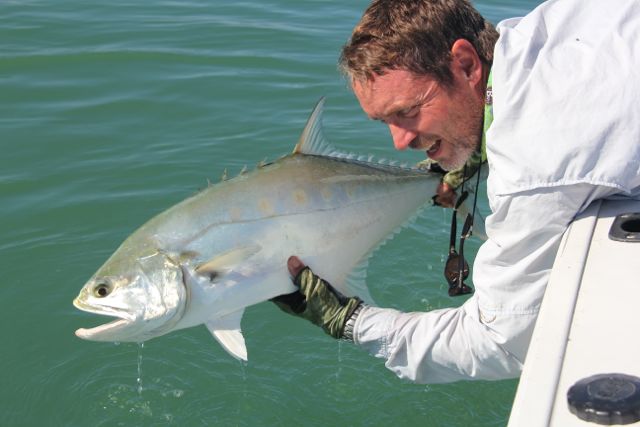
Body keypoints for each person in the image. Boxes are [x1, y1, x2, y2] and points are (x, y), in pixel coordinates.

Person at [273, 0, 640, 383]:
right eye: (385, 121)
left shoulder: (538, 159)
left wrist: (351, 320)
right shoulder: (551, 26)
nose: (399, 141)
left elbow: (499, 342)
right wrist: (478, 149)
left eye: (408, 112)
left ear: (466, 64)